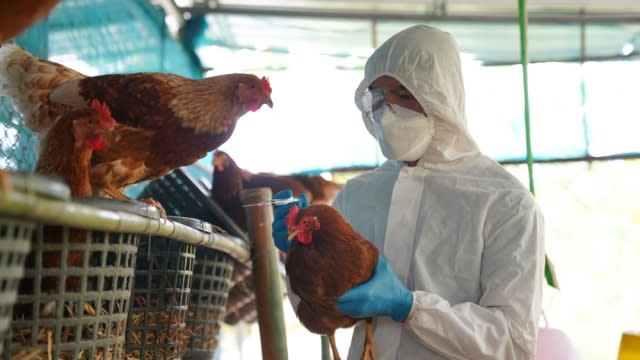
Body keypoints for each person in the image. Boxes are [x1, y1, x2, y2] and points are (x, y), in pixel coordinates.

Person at [272, 24, 545, 359]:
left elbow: (513, 344)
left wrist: (411, 308)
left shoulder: (505, 203)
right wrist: (299, 260)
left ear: (440, 95)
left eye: (404, 95)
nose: (388, 113)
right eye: (378, 98)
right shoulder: (357, 196)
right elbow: (321, 318)